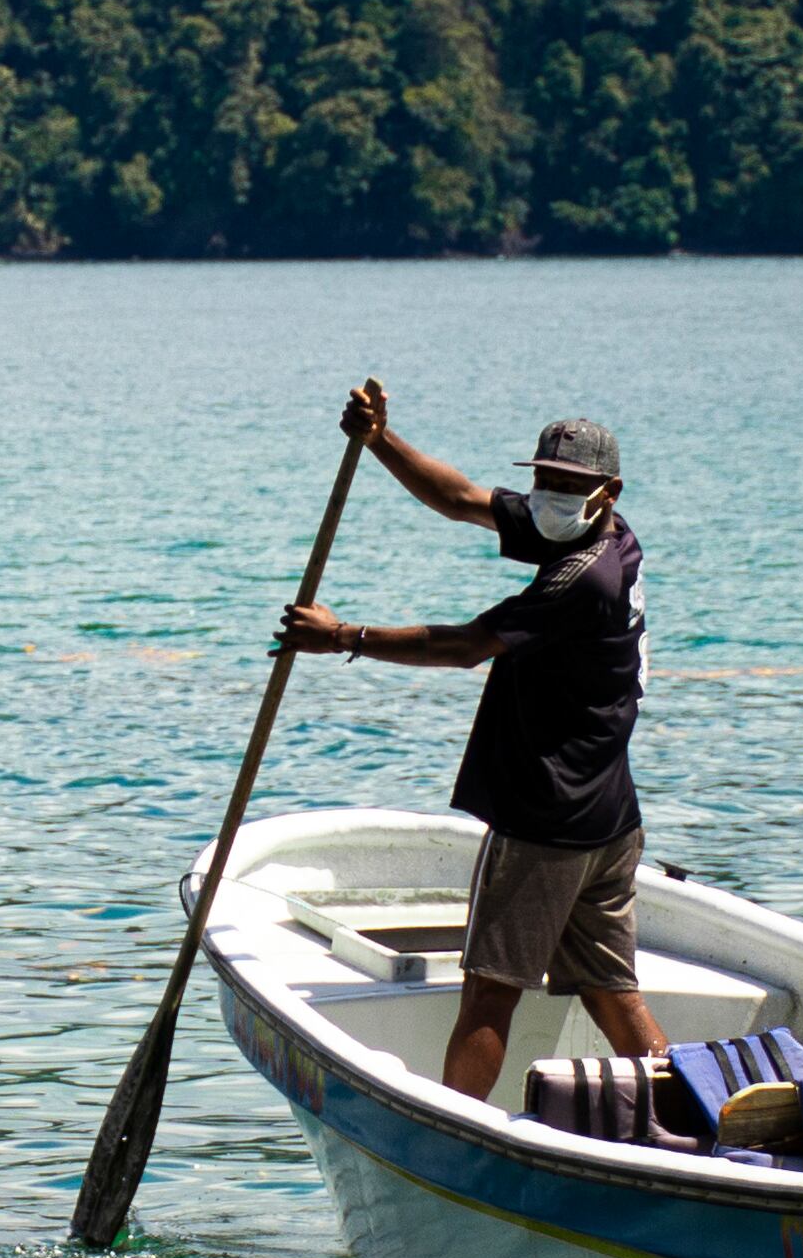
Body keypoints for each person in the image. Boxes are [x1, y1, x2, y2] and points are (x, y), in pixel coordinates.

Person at [283, 380, 663, 1099]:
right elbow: (459, 498)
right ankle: (688, 1120)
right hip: (608, 817)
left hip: (546, 821)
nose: (550, 494)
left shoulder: (583, 579)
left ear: (607, 490)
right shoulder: (599, 533)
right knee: (611, 989)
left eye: (569, 485)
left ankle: (458, 1129)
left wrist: (340, 638)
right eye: (544, 480)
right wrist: (378, 441)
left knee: (489, 993)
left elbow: (466, 646)